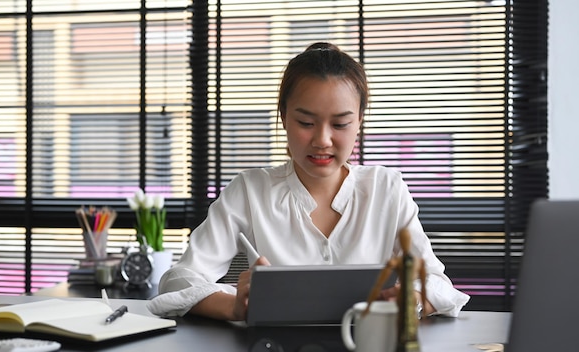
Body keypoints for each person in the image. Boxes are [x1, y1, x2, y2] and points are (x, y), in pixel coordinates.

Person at [147, 42, 470, 321]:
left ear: (359, 121)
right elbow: (179, 279)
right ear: (283, 116)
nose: (323, 140)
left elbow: (436, 284)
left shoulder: (386, 188)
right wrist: (234, 305)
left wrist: (412, 300)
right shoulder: (249, 190)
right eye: (305, 122)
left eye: (340, 123)